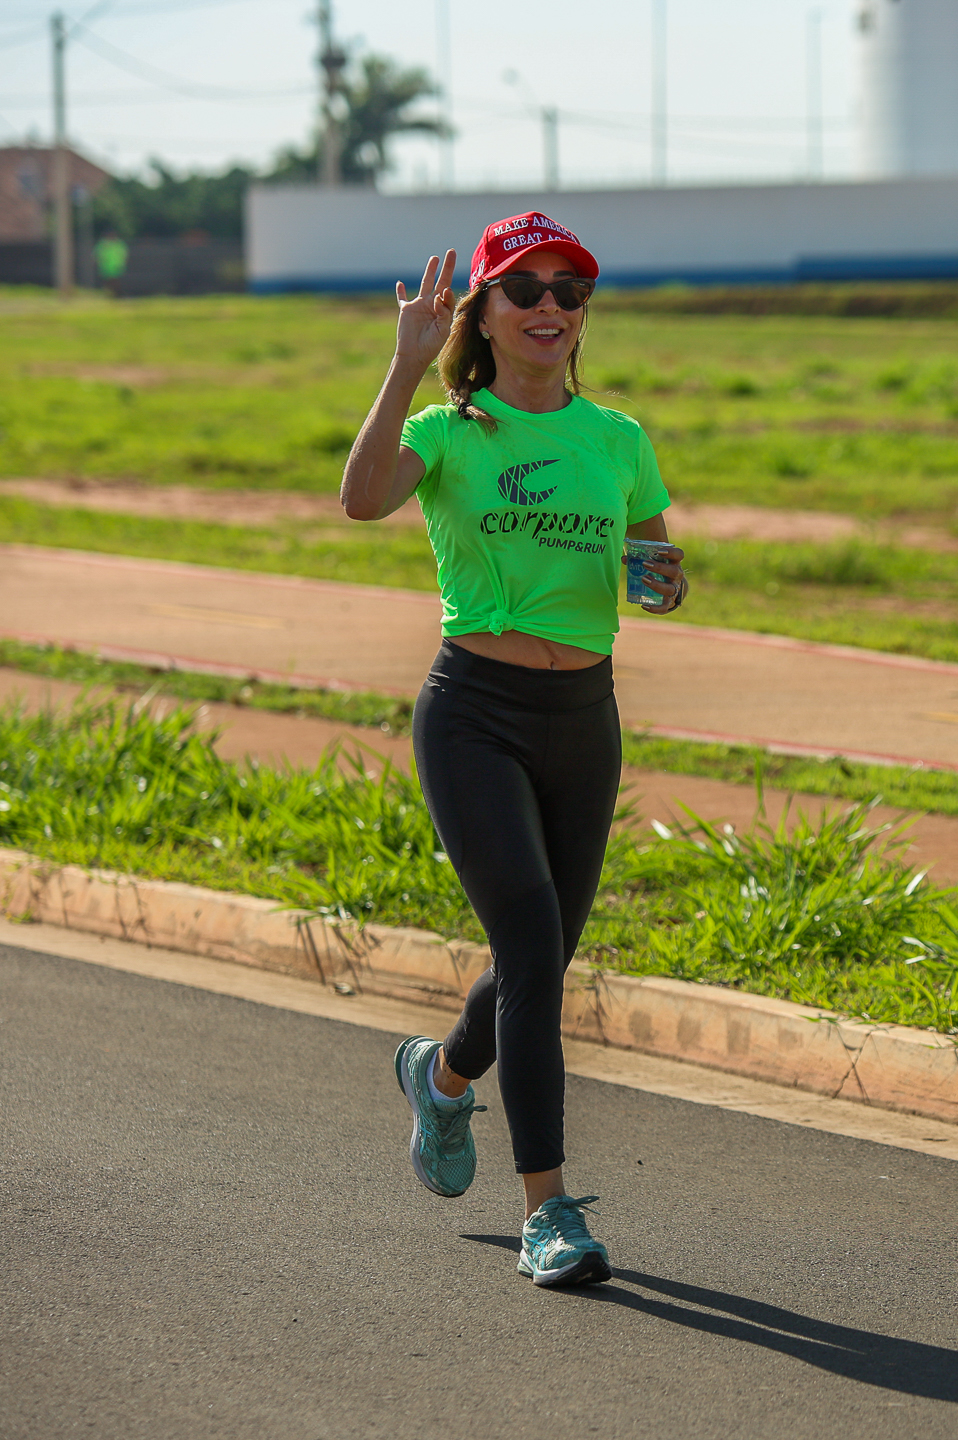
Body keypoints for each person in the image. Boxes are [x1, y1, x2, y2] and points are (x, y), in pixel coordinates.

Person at [339, 211, 686, 1289]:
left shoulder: (619, 439)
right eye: (524, 289)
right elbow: (361, 500)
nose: (549, 307)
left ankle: (441, 1078)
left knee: (541, 957)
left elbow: (652, 566)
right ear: (481, 314)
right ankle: (549, 1214)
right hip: (474, 716)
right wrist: (403, 365)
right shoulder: (450, 431)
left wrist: (662, 582)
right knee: (532, 946)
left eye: (569, 291)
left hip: (586, 714)